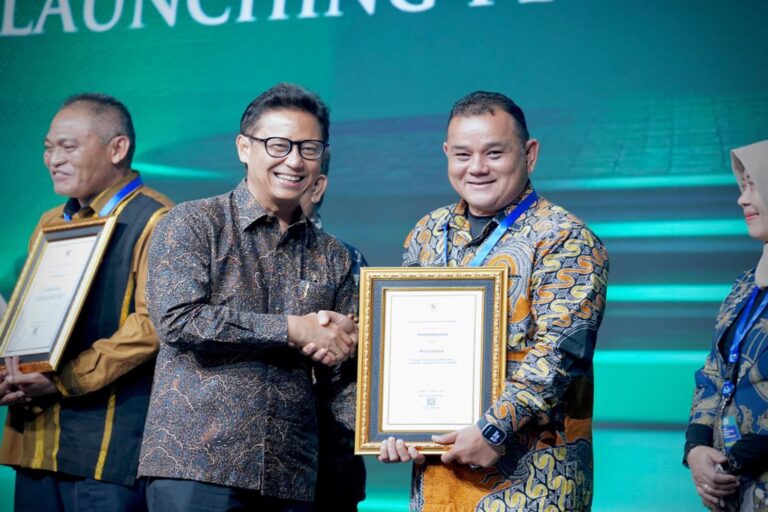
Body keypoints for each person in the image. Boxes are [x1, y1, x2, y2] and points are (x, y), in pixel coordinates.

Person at [379, 91, 609, 511]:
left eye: (494, 153)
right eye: (462, 154)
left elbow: (560, 353)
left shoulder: (564, 238)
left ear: (529, 154)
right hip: (438, 481)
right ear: (447, 155)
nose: (477, 167)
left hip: (532, 484)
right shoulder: (427, 232)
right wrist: (396, 426)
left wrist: (494, 428)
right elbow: (402, 346)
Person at [138, 83, 359, 512]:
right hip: (197, 466)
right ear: (244, 147)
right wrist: (293, 329)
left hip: (290, 474)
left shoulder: (333, 255)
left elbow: (339, 374)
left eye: (309, 148)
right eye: (279, 145)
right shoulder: (192, 223)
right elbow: (177, 320)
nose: (294, 161)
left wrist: (393, 431)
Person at [0, 93, 174, 511]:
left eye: (68, 147)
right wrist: (11, 371)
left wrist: (64, 379)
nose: (53, 160)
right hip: (36, 440)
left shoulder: (159, 220)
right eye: (48, 148)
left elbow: (152, 326)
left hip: (105, 447)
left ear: (118, 148)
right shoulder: (50, 222)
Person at [685, 139, 768, 512]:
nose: (742, 199)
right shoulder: (745, 286)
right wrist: (697, 448)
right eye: (742, 186)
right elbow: (715, 372)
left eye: (754, 185)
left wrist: (731, 462)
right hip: (737, 490)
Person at [300, 157, 367, 510]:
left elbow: (380, 364)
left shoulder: (349, 262)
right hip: (247, 464)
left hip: (330, 463)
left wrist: (359, 340)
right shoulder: (233, 255)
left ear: (317, 187)